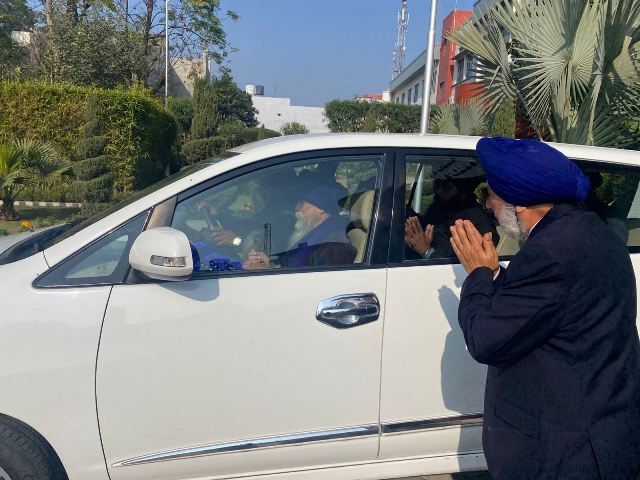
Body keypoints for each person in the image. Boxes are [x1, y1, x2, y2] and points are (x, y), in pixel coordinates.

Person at [449, 137, 640, 479]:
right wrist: (494, 273)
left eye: (490, 194)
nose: (487, 205)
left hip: (567, 450)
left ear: (519, 203)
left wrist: (477, 274)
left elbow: (485, 340)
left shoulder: (549, 252)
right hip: (605, 429)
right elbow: (545, 307)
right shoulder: (596, 232)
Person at [245, 185, 355, 269]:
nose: (297, 208)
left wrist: (268, 272)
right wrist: (269, 266)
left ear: (321, 209)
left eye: (303, 204)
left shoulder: (334, 242)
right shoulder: (318, 235)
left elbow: (314, 282)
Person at [405, 176, 497, 259]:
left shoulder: (475, 219)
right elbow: (428, 224)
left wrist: (426, 251)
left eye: (447, 187)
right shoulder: (443, 210)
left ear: (463, 191)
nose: (439, 191)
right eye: (437, 185)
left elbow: (470, 264)